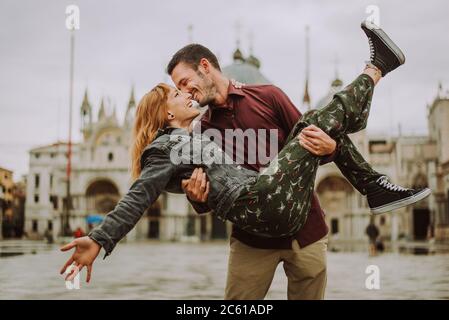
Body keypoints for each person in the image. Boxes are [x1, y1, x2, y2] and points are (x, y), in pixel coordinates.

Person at [59, 21, 430, 290]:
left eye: (184, 84)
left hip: (300, 222)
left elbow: (312, 142)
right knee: (317, 122)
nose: (186, 93)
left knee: (317, 126)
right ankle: (377, 69)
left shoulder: (266, 95)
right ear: (168, 114)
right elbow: (142, 194)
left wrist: (332, 149)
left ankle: (372, 181)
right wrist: (102, 237)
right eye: (177, 92)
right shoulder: (179, 142)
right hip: (259, 212)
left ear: (206, 67)